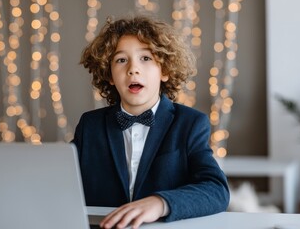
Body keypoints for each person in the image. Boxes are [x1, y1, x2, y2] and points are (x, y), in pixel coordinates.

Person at [72, 14, 229, 229]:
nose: (133, 69)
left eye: (145, 58)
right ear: (109, 75)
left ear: (164, 70)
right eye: (121, 60)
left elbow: (216, 189)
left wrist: (161, 203)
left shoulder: (190, 123)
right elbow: (60, 182)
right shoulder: (90, 126)